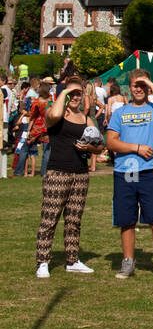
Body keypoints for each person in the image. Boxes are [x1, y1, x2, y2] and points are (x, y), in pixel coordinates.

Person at [106, 73, 153, 280]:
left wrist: (150, 84)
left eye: (142, 86)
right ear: (128, 88)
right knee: (127, 220)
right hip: (126, 172)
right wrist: (136, 148)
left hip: (148, 172)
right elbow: (111, 142)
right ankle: (128, 262)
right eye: (134, 86)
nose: (138, 89)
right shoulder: (120, 113)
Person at [35, 79, 95, 277]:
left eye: (79, 94)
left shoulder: (85, 118)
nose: (76, 97)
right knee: (50, 218)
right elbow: (53, 114)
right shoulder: (57, 114)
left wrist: (90, 148)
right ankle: (43, 261)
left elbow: (99, 145)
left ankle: (72, 259)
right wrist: (65, 91)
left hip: (80, 173)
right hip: (58, 172)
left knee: (74, 219)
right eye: (73, 93)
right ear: (65, 94)